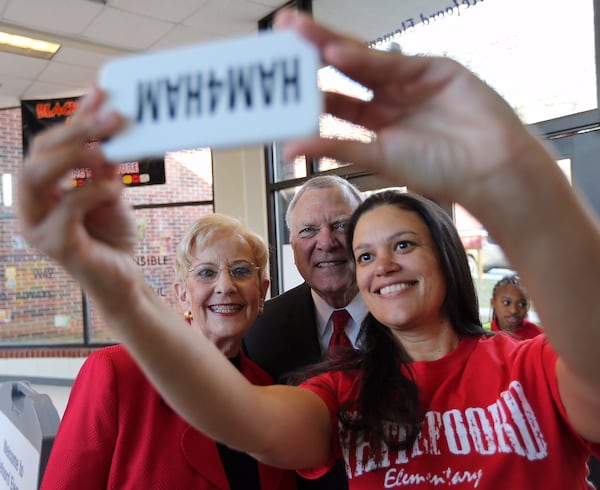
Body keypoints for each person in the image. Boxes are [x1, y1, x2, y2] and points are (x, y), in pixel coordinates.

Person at [18, 9, 600, 489]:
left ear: (446, 253)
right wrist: (119, 292)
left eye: (401, 244)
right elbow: (249, 423)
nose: (380, 264)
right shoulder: (343, 388)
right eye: (367, 255)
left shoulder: (531, 366)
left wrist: (520, 177)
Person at [40, 213, 297, 490]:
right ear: (183, 293)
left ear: (262, 292)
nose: (225, 286)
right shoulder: (117, 372)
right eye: (206, 272)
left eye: (242, 271)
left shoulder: (267, 390)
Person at [244, 175, 367, 490]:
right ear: (293, 244)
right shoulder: (259, 329)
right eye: (309, 230)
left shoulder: (406, 317)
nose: (326, 242)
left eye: (341, 225)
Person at [484, 274, 544, 340]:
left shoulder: (539, 337)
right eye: (506, 302)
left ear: (528, 306)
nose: (514, 310)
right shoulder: (482, 335)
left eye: (521, 304)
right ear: (493, 303)